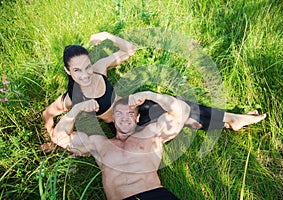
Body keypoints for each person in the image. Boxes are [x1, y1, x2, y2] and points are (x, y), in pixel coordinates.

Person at [42, 31, 266, 137]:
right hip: (125, 124)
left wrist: (107, 36)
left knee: (178, 105)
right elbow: (47, 114)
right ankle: (231, 120)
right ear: (68, 71)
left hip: (133, 106)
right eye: (77, 71)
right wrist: (51, 138)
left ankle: (230, 120)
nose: (85, 74)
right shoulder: (72, 98)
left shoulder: (99, 68)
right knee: (177, 115)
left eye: (87, 67)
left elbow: (129, 50)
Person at [50, 91, 190, 200]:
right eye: (119, 113)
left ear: (138, 118)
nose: (124, 118)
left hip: (155, 195)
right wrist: (76, 109)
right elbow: (59, 137)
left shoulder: (150, 134)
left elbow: (183, 111)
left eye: (130, 113)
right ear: (113, 118)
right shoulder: (98, 143)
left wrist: (149, 95)